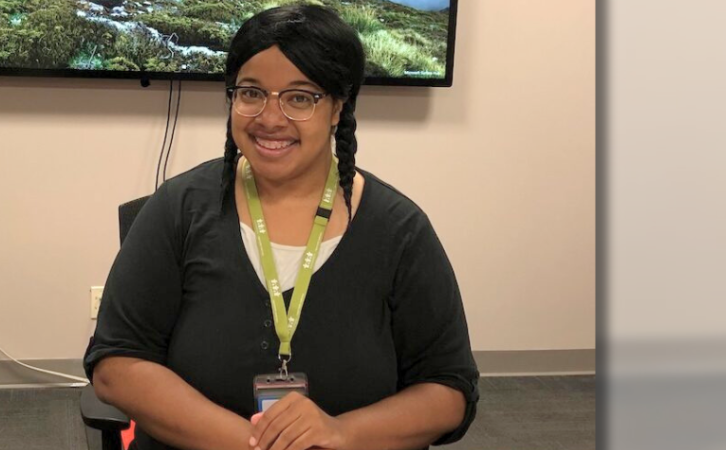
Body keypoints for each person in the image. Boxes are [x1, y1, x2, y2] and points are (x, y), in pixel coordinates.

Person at [84, 5, 479, 450]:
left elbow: (448, 390)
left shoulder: (399, 231)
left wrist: (340, 433)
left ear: (337, 108)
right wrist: (251, 444)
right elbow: (116, 365)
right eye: (251, 93)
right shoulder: (178, 209)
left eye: (299, 97)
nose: (270, 118)